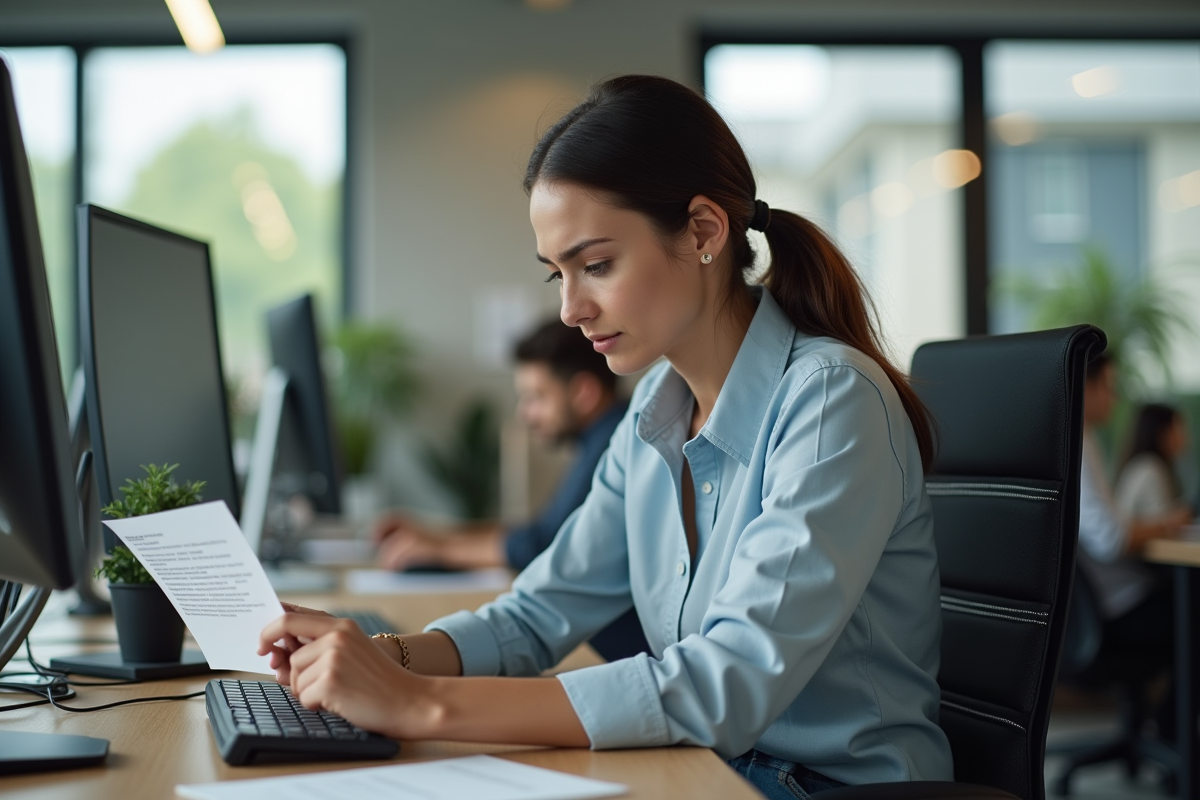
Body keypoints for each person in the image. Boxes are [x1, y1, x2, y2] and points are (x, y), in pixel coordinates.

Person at [260, 75, 953, 795]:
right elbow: (536, 617)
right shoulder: (657, 407)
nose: (569, 308)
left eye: (596, 265)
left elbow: (725, 686)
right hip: (705, 769)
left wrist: (417, 704)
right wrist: (380, 656)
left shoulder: (831, 400)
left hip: (823, 785)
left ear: (704, 232)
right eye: (556, 273)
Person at [372, 317, 649, 661]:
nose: (525, 414)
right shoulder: (601, 439)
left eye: (536, 397)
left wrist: (441, 549)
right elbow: (544, 530)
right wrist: (439, 538)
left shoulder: (613, 443)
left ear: (584, 393)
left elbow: (542, 544)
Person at [1076, 356, 1189, 650]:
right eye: (1110, 387)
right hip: (1116, 603)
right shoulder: (1080, 444)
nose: (1115, 398)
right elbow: (1112, 538)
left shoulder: (1077, 440)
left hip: (1099, 602)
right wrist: (1170, 523)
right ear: (1086, 387)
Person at [1116, 402, 1193, 526]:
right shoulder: (1149, 469)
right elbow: (1162, 526)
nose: (1185, 436)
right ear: (1162, 434)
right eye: (1178, 427)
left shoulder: (1146, 464)